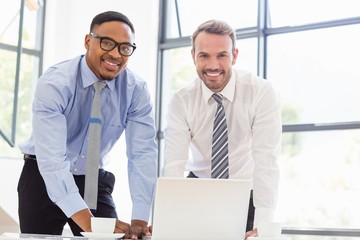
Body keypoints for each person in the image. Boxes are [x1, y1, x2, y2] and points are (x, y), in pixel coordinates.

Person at [18, 11, 157, 239]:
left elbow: (142, 154)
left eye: (125, 48)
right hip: (42, 176)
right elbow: (52, 160)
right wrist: (87, 222)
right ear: (87, 41)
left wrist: (140, 218)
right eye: (107, 43)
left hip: (93, 178)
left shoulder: (136, 91)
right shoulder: (55, 84)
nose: (115, 54)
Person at [163, 19, 281, 239]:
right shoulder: (182, 101)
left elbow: (267, 161)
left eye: (222, 55)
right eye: (204, 56)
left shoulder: (260, 92)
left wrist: (263, 226)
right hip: (197, 192)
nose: (213, 65)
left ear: (234, 56)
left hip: (247, 193)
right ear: (193, 56)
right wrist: (167, 220)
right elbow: (174, 164)